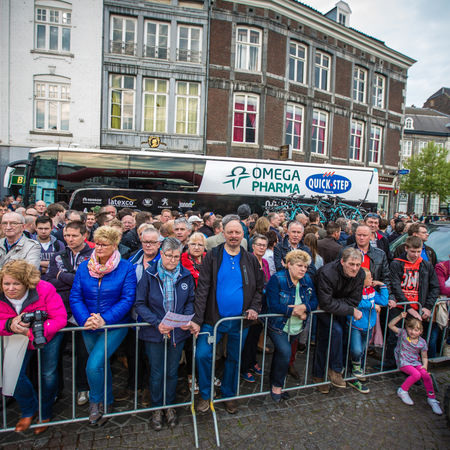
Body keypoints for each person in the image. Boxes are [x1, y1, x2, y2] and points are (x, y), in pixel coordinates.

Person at [190, 214, 264, 414]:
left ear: (243, 234)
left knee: (234, 358)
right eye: (230, 232)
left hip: (240, 322)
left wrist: (254, 308)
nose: (233, 235)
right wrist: (197, 319)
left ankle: (229, 395)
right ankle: (205, 394)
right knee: (202, 355)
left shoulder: (250, 259)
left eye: (237, 232)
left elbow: (259, 288)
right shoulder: (212, 256)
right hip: (211, 320)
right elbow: (202, 288)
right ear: (223, 233)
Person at [70, 226, 137, 425]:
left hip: (114, 325)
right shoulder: (85, 267)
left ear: (114, 245)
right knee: (100, 365)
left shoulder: (126, 268)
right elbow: (76, 296)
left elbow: (127, 298)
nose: (98, 248)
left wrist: (105, 319)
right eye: (97, 244)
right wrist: (85, 319)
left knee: (93, 365)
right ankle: (107, 401)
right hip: (89, 324)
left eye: (104, 245)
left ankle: (95, 401)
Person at [0, 260, 67, 434]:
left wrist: (33, 330)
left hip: (48, 336)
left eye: (16, 284)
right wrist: (8, 325)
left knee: (48, 374)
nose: (10, 288)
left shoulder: (44, 289)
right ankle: (29, 409)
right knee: (13, 375)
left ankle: (45, 412)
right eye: (6, 284)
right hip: (15, 337)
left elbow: (60, 318)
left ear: (27, 282)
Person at [135, 238, 195, 430]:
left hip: (177, 333)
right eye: (169, 256)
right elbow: (140, 304)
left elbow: (190, 301)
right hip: (155, 332)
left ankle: (169, 405)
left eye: (176, 257)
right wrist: (156, 322)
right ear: (161, 254)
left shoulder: (185, 275)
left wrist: (186, 318)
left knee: (171, 371)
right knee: (156, 371)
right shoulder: (149, 274)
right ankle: (156, 407)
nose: (172, 260)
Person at [44, 220, 93, 405]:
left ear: (84, 236)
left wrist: (62, 276)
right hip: (59, 309)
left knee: (83, 352)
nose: (69, 239)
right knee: (55, 353)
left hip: (83, 309)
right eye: (66, 235)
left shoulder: (93, 255)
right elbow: (50, 281)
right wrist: (72, 279)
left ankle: (83, 387)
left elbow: (86, 283)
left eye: (74, 235)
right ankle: (55, 390)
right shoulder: (58, 256)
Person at [265, 250, 317, 401]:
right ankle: (277, 386)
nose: (303, 269)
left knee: (281, 354)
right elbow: (272, 305)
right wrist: (296, 311)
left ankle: (273, 378)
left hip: (297, 326)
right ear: (289, 265)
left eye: (305, 266)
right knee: (285, 352)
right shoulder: (277, 279)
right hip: (278, 325)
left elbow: (314, 301)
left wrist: (305, 308)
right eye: (299, 265)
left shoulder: (307, 279)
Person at [312, 248, 364, 393]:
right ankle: (325, 373)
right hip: (322, 309)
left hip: (339, 309)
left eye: (358, 265)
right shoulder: (327, 272)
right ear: (342, 262)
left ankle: (335, 370)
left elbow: (354, 300)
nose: (355, 268)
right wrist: (348, 309)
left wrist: (336, 304)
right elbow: (325, 302)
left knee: (342, 337)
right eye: (351, 264)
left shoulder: (360, 274)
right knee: (331, 334)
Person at [387, 236, 440, 366]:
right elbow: (395, 286)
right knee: (394, 338)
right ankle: (391, 365)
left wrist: (427, 307)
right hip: (400, 308)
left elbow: (435, 287)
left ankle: (414, 365)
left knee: (416, 340)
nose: (415, 255)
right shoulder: (396, 264)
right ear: (406, 248)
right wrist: (409, 307)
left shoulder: (426, 265)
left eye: (418, 251)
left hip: (419, 308)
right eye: (412, 251)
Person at [389, 312, 443, 415]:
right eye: (410, 328)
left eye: (416, 330)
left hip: (415, 362)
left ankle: (431, 398)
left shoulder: (422, 342)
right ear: (407, 328)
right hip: (403, 361)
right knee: (416, 375)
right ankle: (402, 390)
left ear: (421, 331)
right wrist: (400, 316)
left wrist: (425, 366)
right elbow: (390, 325)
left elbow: (424, 356)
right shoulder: (403, 333)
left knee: (425, 375)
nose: (412, 332)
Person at [347, 268, 388, 393]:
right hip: (356, 326)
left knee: (363, 351)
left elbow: (384, 301)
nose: (372, 279)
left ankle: (355, 374)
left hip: (369, 326)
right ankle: (353, 372)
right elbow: (357, 302)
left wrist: (382, 285)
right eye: (369, 278)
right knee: (356, 350)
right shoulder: (355, 290)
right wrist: (372, 305)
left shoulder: (371, 290)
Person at [241, 234, 271, 383]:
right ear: (253, 246)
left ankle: (252, 361)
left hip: (262, 305)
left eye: (264, 245)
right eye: (259, 244)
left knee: (255, 336)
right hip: (250, 305)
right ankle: (244, 367)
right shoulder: (247, 261)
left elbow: (267, 280)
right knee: (247, 338)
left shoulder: (265, 262)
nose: (261, 247)